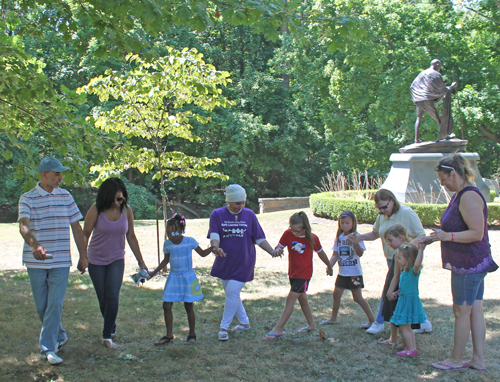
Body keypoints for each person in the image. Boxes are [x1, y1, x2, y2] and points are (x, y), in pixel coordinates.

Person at [421, 154, 498, 371]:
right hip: (470, 263)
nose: (442, 184)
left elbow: (476, 233)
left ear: (453, 174)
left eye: (443, 179)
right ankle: (478, 360)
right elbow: (456, 228)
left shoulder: (469, 196)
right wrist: (435, 237)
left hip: (468, 264)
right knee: (474, 310)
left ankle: (455, 360)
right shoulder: (460, 195)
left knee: (461, 311)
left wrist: (448, 237)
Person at [18, 157, 87, 365]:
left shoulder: (66, 196)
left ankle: (48, 348)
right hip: (36, 260)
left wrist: (84, 255)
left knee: (54, 304)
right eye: (56, 173)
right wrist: (34, 245)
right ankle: (60, 334)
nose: (60, 177)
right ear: (44, 174)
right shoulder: (27, 198)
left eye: (60, 173)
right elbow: (24, 227)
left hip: (61, 261)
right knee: (42, 307)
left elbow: (77, 228)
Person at [349, 189, 429, 335]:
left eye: (384, 207)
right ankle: (422, 322)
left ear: (392, 201)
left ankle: (379, 321)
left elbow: (421, 235)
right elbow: (375, 233)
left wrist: (406, 250)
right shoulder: (382, 217)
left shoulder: (407, 213)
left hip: (405, 261)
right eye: (379, 208)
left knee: (390, 289)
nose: (382, 210)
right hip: (391, 258)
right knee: (404, 292)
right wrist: (358, 238)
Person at [81, 177, 148, 349]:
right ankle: (111, 323)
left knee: (113, 295)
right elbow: (85, 233)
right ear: (107, 197)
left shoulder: (127, 211)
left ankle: (107, 335)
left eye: (122, 198)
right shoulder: (96, 210)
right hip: (95, 260)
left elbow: (131, 236)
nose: (119, 202)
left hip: (116, 259)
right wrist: (83, 256)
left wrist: (141, 262)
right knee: (103, 298)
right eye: (116, 199)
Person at [208, 184, 276, 341]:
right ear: (229, 201)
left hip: (244, 261)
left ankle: (223, 327)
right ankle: (245, 323)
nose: (241, 206)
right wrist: (215, 247)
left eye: (243, 202)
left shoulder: (249, 215)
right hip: (224, 260)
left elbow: (259, 238)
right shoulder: (217, 214)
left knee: (232, 292)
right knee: (232, 293)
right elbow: (214, 234)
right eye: (238, 203)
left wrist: (271, 251)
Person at [148, 214, 218, 345]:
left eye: (174, 233)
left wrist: (212, 248)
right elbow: (165, 260)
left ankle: (192, 334)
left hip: (187, 277)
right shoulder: (167, 244)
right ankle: (169, 335)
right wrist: (153, 273)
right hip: (174, 277)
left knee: (188, 305)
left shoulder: (189, 241)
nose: (171, 236)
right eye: (168, 234)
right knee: (166, 305)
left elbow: (202, 253)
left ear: (181, 230)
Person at [263, 212, 333, 341]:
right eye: (292, 230)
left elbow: (321, 253)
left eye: (297, 230)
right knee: (302, 299)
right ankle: (311, 325)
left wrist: (329, 266)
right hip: (293, 273)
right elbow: (279, 246)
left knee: (291, 298)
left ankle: (278, 329)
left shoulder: (312, 238)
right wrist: (278, 250)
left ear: (305, 227)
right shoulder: (287, 234)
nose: (294, 233)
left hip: (304, 274)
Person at [319, 210, 375, 328]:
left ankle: (372, 320)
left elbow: (360, 254)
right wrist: (329, 266)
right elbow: (335, 254)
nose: (344, 225)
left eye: (347, 223)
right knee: (336, 295)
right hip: (342, 273)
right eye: (342, 223)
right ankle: (333, 318)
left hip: (354, 273)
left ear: (353, 223)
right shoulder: (339, 238)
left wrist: (355, 243)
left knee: (358, 298)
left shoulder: (357, 237)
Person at [387, 243, 427, 357]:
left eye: (400, 258)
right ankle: (412, 348)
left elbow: (417, 263)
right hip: (404, 300)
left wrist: (421, 250)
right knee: (407, 327)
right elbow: (404, 287)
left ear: (409, 259)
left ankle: (410, 349)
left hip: (408, 303)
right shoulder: (404, 272)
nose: (397, 260)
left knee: (404, 326)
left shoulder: (413, 272)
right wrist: (396, 293)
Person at [377, 224, 411, 347]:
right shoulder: (400, 253)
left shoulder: (404, 254)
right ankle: (393, 338)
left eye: (390, 240)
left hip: (399, 287)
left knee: (400, 313)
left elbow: (398, 276)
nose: (389, 244)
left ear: (400, 238)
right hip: (395, 284)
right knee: (392, 311)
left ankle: (403, 341)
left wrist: (391, 291)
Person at [410, 59, 457, 143]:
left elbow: (412, 86)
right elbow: (442, 88)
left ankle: (416, 139)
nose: (440, 68)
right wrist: (451, 86)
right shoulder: (436, 74)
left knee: (419, 118)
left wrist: (416, 96)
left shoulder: (422, 73)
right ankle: (445, 135)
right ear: (437, 64)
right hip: (427, 99)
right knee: (436, 116)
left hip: (419, 99)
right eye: (440, 66)